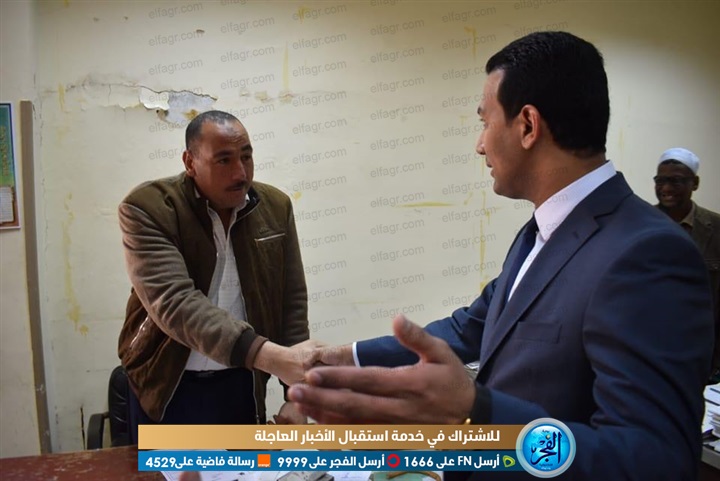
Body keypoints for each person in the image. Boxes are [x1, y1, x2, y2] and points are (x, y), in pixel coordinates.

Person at [290, 32, 714, 480]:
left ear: (528, 125)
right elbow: (470, 327)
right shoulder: (542, 230)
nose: (480, 145)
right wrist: (343, 357)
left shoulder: (647, 252)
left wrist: (478, 412)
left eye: (484, 121)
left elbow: (653, 461)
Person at [118, 110, 314, 443]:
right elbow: (176, 304)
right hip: (165, 384)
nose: (241, 172)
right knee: (166, 469)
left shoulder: (276, 207)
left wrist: (297, 394)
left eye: (246, 156)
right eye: (223, 160)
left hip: (240, 383)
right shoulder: (149, 208)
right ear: (190, 162)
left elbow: (290, 304)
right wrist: (269, 357)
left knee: (242, 467)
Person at [654, 147, 720, 382]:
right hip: (649, 347)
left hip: (700, 353)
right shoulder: (638, 223)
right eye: (660, 181)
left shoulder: (716, 229)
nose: (666, 188)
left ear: (695, 183)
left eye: (676, 181)